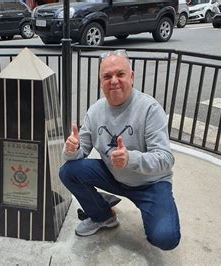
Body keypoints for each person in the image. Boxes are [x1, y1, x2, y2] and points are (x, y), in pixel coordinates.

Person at [59, 50, 180, 251]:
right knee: (68, 171)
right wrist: (72, 149)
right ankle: (103, 216)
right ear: (101, 82)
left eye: (120, 74)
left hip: (150, 183)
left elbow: (166, 159)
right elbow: (79, 153)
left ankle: (136, 206)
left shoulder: (150, 109)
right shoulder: (95, 111)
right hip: (114, 175)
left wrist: (130, 159)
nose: (113, 81)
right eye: (107, 76)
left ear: (131, 77)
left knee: (165, 238)